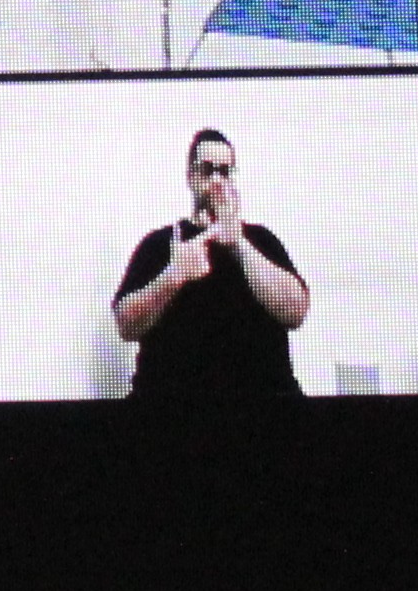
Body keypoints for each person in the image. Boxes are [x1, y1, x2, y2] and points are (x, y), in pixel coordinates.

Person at [113, 128, 313, 410]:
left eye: (225, 172)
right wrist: (175, 276)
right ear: (190, 176)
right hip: (169, 408)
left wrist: (239, 244)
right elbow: (126, 325)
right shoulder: (161, 244)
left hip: (262, 407)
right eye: (207, 170)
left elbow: (296, 312)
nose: (217, 180)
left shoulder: (260, 240)